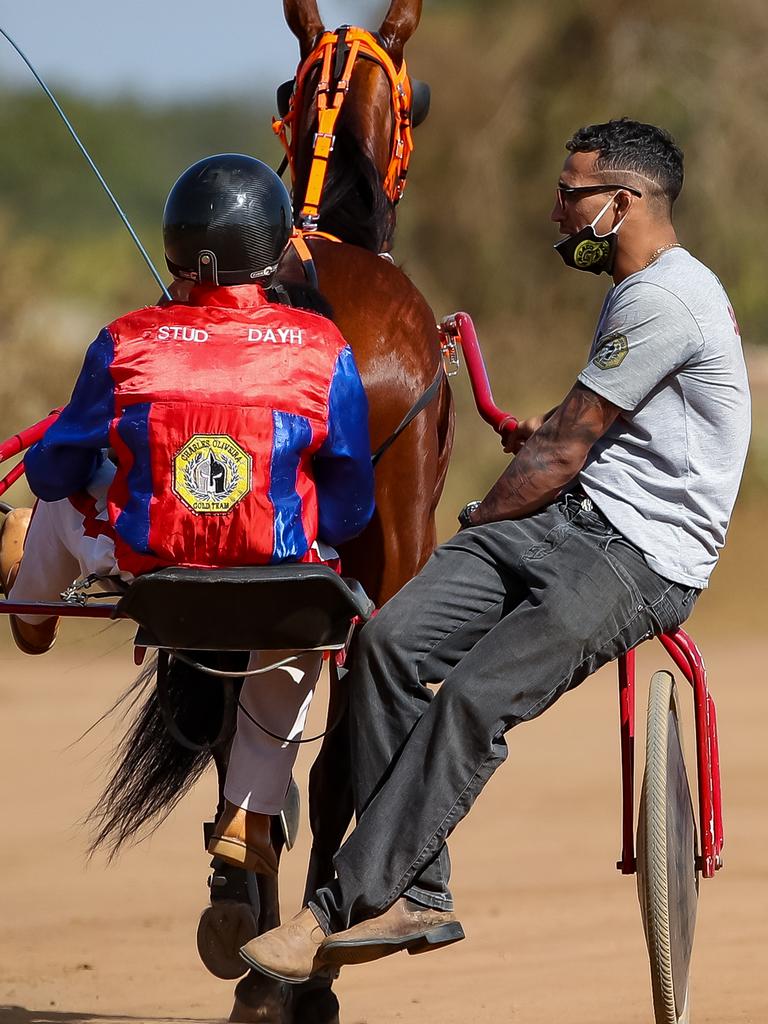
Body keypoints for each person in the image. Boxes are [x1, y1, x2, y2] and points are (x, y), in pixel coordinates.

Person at [238, 118, 752, 983]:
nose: (555, 210)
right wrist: (525, 482)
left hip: (641, 557)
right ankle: (422, 892)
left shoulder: (666, 298)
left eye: (569, 193)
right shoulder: (638, 287)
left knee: (474, 696)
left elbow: (563, 448)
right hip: (573, 516)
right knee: (388, 644)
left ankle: (334, 907)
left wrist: (480, 518)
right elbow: (577, 431)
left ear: (620, 204)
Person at [0, 153, 375, 876]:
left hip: (152, 571)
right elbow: (352, 507)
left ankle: (33, 605)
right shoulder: (327, 349)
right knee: (301, 613)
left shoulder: (123, 339)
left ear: (174, 247)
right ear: (273, 256)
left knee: (62, 489)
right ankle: (249, 812)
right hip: (278, 578)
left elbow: (52, 469)